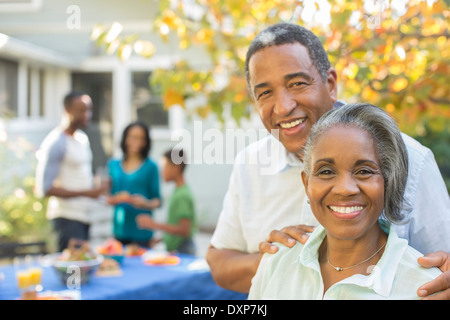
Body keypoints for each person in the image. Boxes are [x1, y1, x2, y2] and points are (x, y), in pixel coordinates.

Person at [206, 23, 450, 298]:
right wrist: (284, 262)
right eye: (265, 92)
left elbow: (444, 266)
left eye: (297, 83)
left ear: (330, 84)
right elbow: (218, 261)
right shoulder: (249, 164)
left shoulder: (409, 159)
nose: (284, 106)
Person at [249, 103, 442, 299]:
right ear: (307, 183)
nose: (345, 189)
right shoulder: (277, 261)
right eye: (326, 171)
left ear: (388, 181)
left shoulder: (427, 286)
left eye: (364, 171)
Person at [35, 91, 106, 252]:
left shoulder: (82, 139)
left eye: (89, 109)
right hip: (67, 218)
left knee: (82, 270)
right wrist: (87, 193)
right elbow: (44, 188)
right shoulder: (56, 142)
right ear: (67, 110)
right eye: (81, 110)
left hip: (85, 216)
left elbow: (80, 178)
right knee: (71, 272)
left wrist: (97, 189)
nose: (87, 114)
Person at [107, 121, 161, 247]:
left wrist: (145, 203)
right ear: (125, 139)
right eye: (133, 137)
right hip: (119, 229)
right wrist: (115, 199)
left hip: (142, 231)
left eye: (142, 138)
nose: (138, 142)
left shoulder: (151, 167)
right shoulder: (113, 165)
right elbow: (108, 196)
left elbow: (158, 201)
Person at [136, 148, 196, 255]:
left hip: (183, 250)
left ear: (176, 168)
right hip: (177, 248)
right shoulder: (178, 191)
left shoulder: (182, 195)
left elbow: (184, 230)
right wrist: (160, 239)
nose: (161, 172)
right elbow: (174, 225)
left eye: (165, 167)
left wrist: (153, 224)